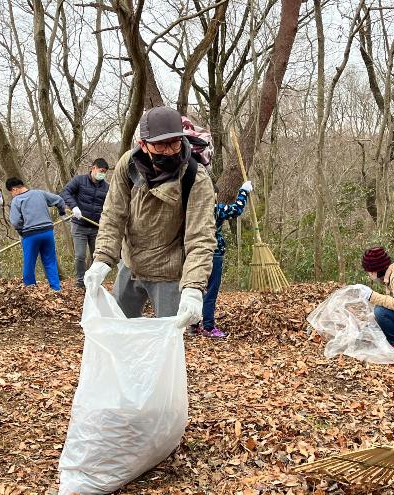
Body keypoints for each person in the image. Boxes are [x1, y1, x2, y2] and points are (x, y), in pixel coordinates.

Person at [83, 106, 215, 327]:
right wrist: (102, 259)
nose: (169, 151)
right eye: (160, 144)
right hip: (130, 263)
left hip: (168, 271)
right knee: (119, 331)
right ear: (143, 144)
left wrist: (193, 287)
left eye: (174, 142)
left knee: (168, 339)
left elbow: (200, 237)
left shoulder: (194, 177)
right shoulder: (129, 164)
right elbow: (114, 214)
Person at [194, 181, 251, 338]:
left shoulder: (193, 211)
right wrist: (244, 192)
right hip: (213, 254)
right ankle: (208, 326)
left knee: (195, 288)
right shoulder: (216, 210)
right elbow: (236, 209)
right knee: (210, 291)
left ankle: (193, 325)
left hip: (194, 254)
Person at [6, 177, 68, 291]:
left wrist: (21, 230)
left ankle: (31, 289)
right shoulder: (40, 193)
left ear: (14, 189)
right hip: (47, 232)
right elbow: (59, 200)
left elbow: (15, 221)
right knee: (50, 261)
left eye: (11, 192)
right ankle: (56, 288)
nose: (12, 195)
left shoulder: (17, 200)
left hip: (30, 235)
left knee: (29, 263)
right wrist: (62, 212)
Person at [60, 158, 110, 289]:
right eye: (101, 171)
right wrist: (74, 206)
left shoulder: (107, 188)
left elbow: (110, 206)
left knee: (96, 256)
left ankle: (92, 279)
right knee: (80, 255)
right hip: (79, 225)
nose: (102, 174)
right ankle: (80, 281)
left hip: (96, 227)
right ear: (93, 168)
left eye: (105, 172)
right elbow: (65, 192)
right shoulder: (79, 180)